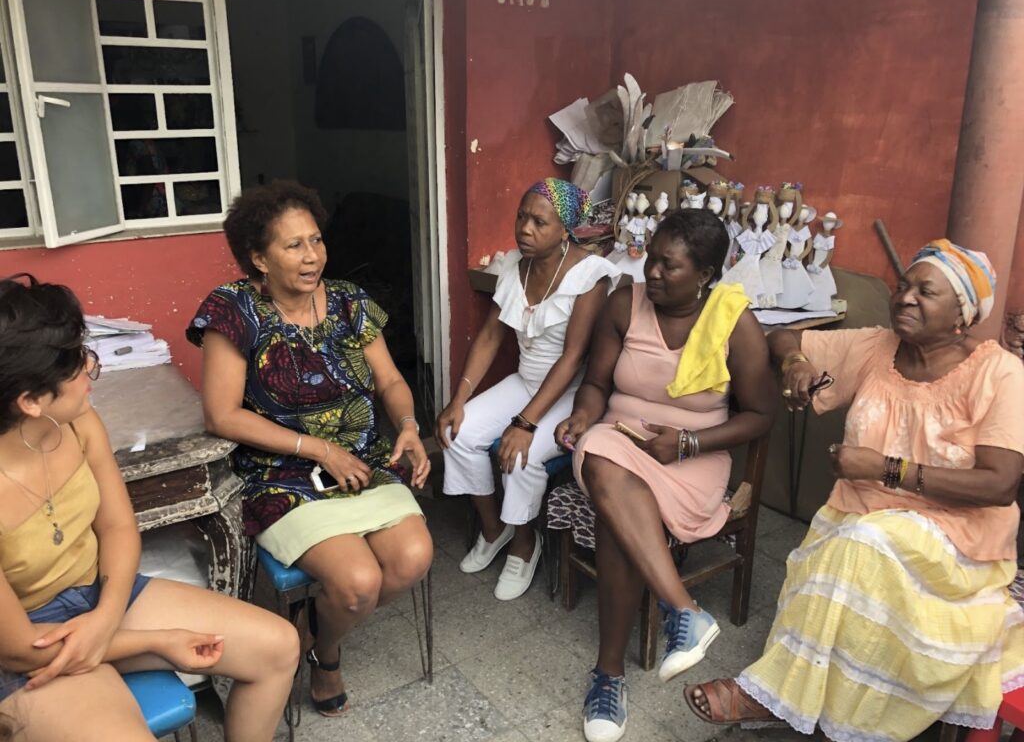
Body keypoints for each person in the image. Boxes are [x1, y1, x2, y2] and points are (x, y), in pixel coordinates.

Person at [684, 240, 1024, 742]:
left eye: (925, 291)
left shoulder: (1000, 374)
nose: (905, 298)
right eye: (904, 285)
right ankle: (821, 711)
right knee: (852, 547)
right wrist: (796, 361)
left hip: (956, 542)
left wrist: (886, 469)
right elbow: (780, 334)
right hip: (859, 521)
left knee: (860, 548)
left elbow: (999, 484)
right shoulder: (877, 347)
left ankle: (768, 695)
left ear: (962, 314)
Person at [0, 274, 298, 742]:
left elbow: (118, 527)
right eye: (77, 364)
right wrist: (159, 642)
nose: (91, 367)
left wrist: (104, 615)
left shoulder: (75, 422)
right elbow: (20, 650)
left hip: (97, 600)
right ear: (30, 401)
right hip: (26, 650)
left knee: (277, 646)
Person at [187, 181, 433, 717]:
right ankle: (329, 658)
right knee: (357, 583)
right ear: (258, 257)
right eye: (293, 245)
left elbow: (390, 380)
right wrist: (319, 449)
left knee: (413, 558)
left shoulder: (350, 302)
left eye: (316, 240)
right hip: (280, 472)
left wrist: (409, 425)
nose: (312, 256)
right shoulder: (235, 311)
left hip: (361, 462)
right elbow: (221, 414)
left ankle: (311, 634)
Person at [555, 209, 776, 742]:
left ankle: (608, 676)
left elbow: (760, 416)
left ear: (704, 274)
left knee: (618, 517)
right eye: (650, 258)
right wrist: (584, 414)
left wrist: (688, 442)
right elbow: (595, 384)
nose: (651, 272)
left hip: (695, 456)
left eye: (667, 266)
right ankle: (683, 609)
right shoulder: (623, 304)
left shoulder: (733, 321)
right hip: (620, 441)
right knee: (603, 452)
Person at [436, 178, 619, 600]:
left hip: (571, 393)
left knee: (522, 455)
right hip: (525, 382)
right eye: (522, 216)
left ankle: (524, 543)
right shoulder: (514, 266)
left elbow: (573, 357)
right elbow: (489, 337)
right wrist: (458, 400)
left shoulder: (591, 275)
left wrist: (524, 423)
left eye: (540, 222)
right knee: (454, 432)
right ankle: (494, 529)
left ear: (565, 230)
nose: (525, 229)